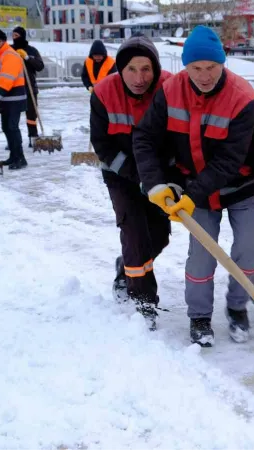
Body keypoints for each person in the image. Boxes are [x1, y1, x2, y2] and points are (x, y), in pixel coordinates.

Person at [133, 26, 254, 347]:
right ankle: (200, 316)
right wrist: (154, 184)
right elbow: (145, 138)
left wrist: (191, 196)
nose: (204, 76)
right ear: (185, 66)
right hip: (194, 184)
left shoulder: (243, 97)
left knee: (249, 247)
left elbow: (230, 160)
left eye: (211, 68)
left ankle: (237, 307)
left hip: (241, 184)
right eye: (195, 68)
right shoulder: (170, 90)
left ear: (223, 64)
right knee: (202, 254)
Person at [90, 35, 173, 331]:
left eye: (146, 69)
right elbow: (102, 144)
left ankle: (126, 268)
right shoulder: (102, 93)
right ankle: (144, 302)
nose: (139, 78)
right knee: (135, 233)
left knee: (160, 235)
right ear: (120, 70)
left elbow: (178, 136)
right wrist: (135, 176)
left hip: (159, 175)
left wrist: (163, 176)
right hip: (120, 174)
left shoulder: (169, 87)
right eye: (131, 70)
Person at [0, 29, 28, 170]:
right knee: (5, 127)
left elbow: (6, 80)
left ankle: (20, 158)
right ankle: (13, 156)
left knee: (12, 127)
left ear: (3, 41)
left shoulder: (10, 55)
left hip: (14, 98)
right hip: (4, 98)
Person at [10, 26, 44, 151]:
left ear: (23, 36)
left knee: (31, 114)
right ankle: (13, 140)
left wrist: (27, 58)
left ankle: (33, 137)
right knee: (13, 116)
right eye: (13, 36)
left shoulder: (32, 50)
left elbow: (40, 66)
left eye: (16, 36)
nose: (14, 38)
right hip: (13, 88)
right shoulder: (9, 50)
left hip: (29, 86)